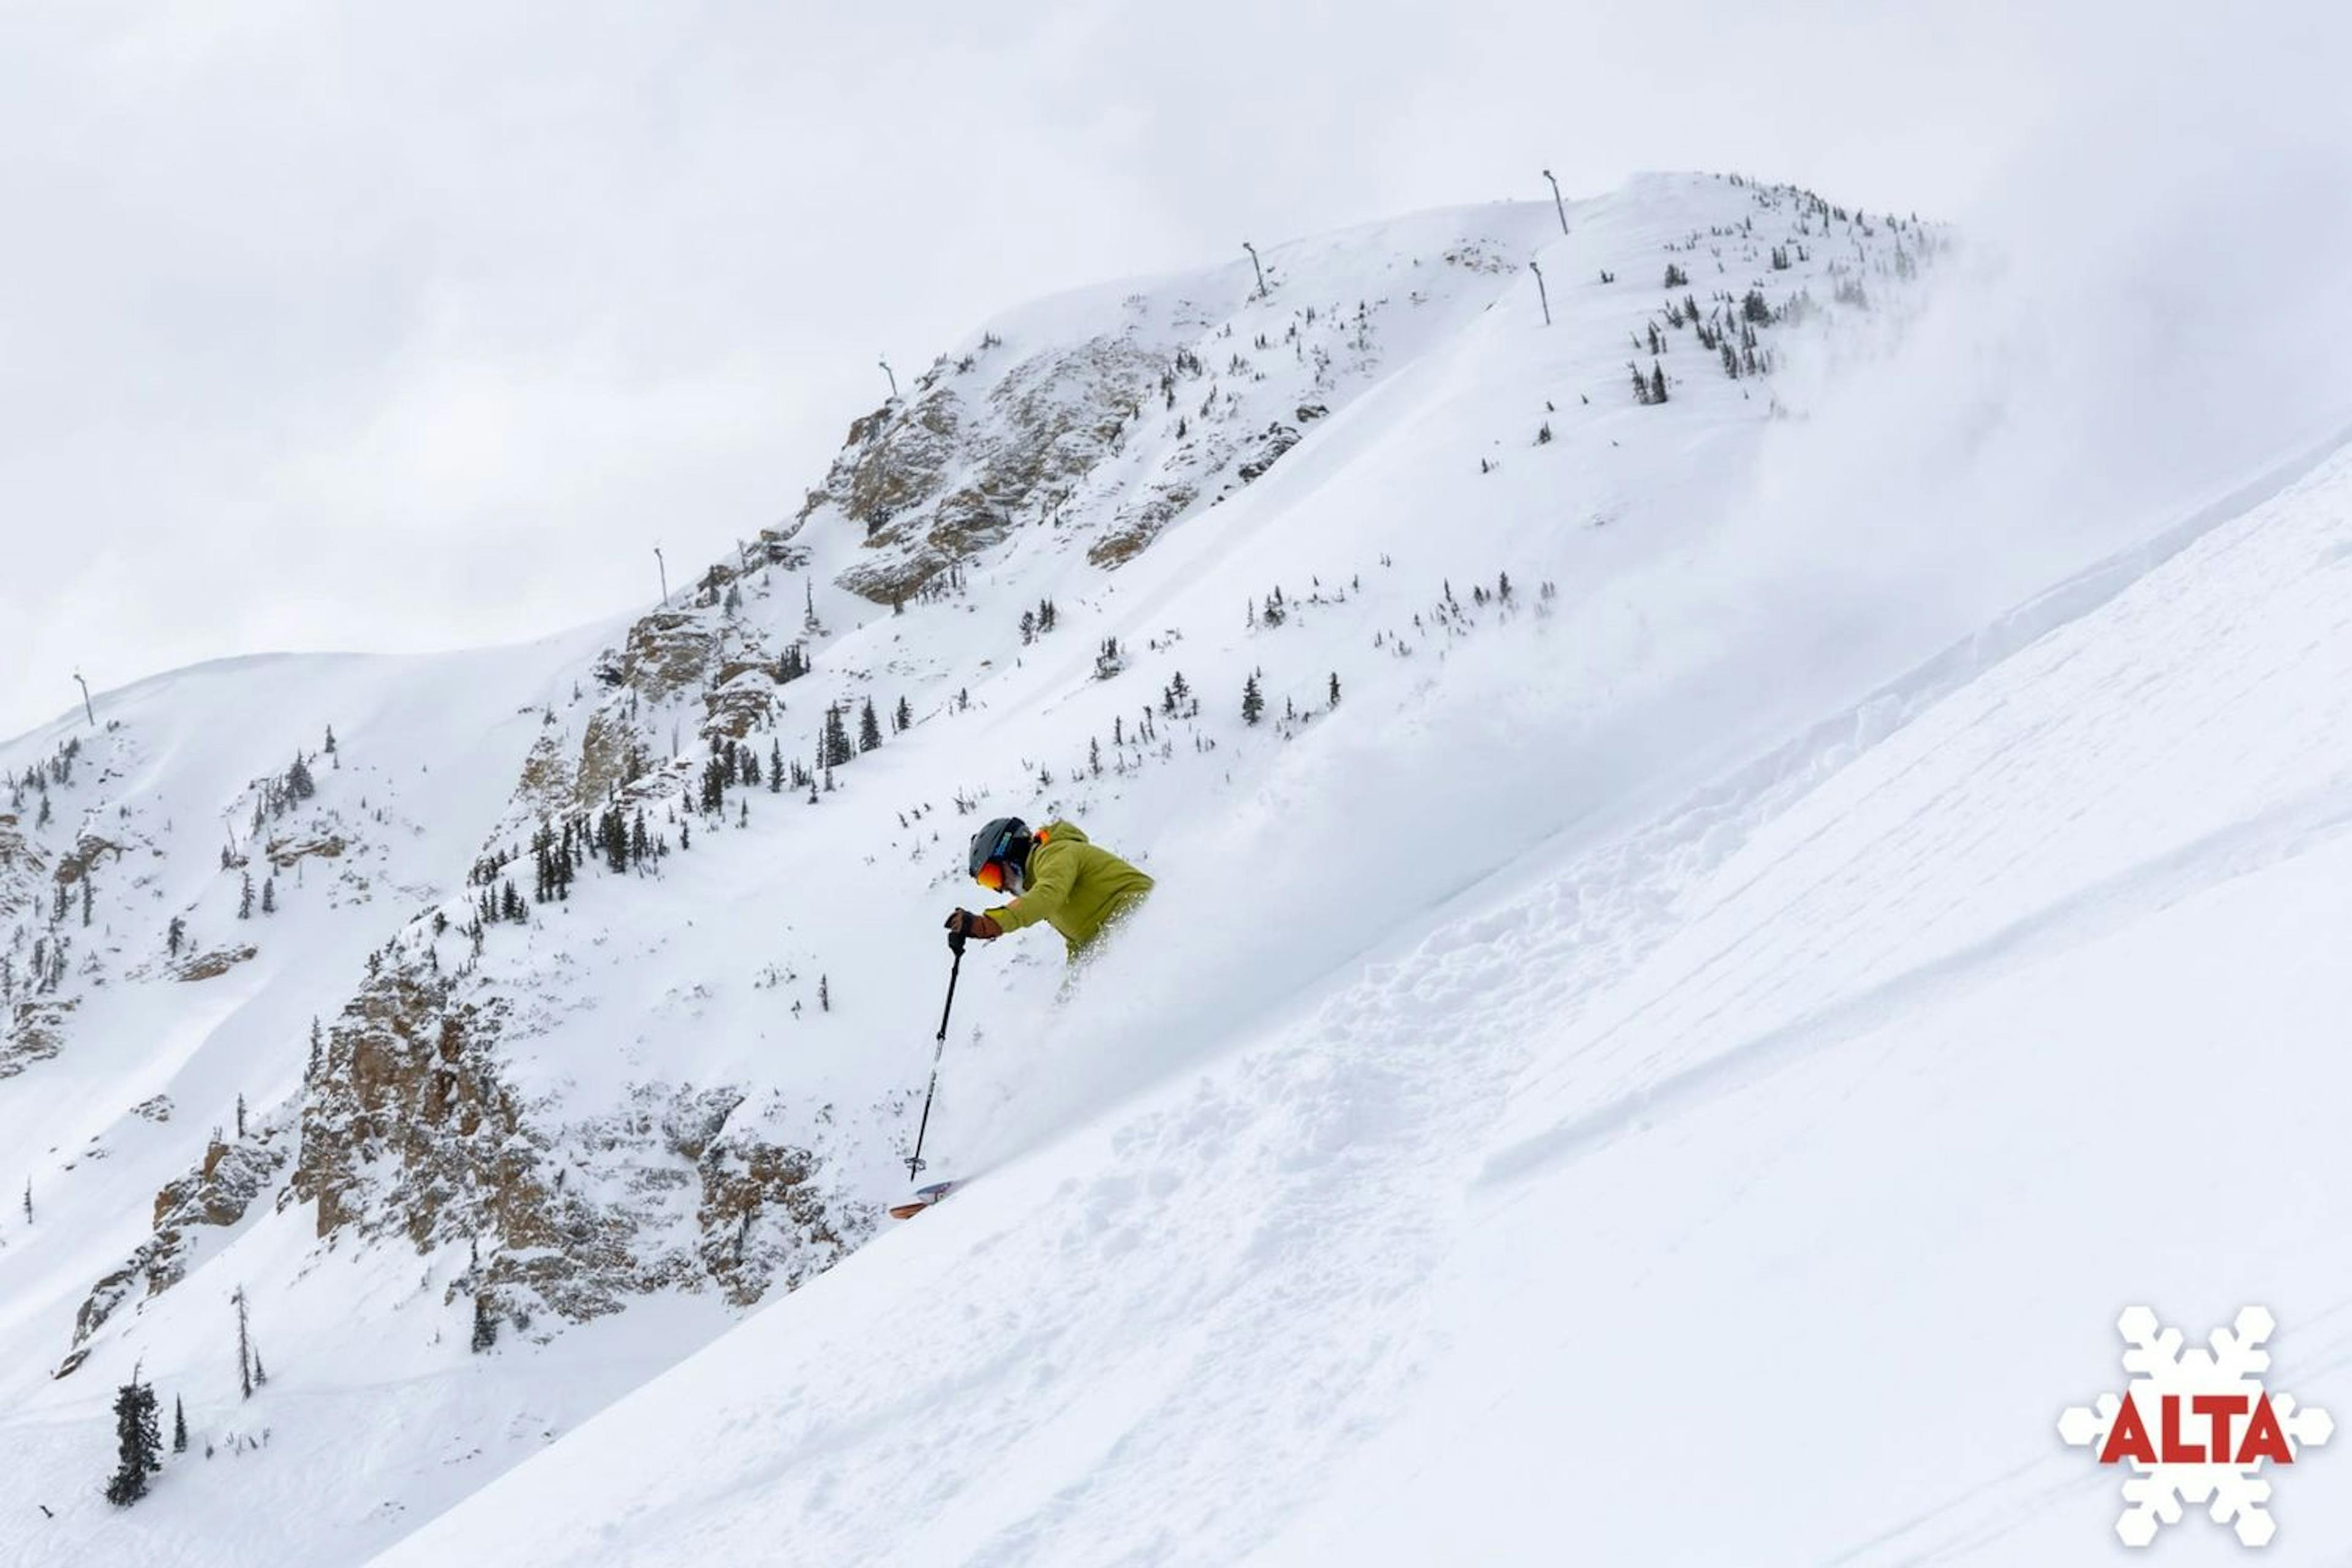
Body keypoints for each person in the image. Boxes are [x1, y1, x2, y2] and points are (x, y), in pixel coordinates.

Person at [946, 816, 1153, 961]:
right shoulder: (1040, 884)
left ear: (1010, 853)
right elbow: (1079, 944)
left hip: (1145, 915)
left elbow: (1048, 895)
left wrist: (988, 924)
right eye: (989, 882)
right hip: (1122, 932)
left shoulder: (1056, 853)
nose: (1001, 888)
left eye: (994, 875)